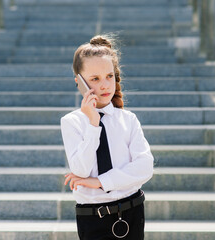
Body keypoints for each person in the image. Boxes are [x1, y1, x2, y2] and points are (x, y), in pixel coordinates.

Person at [60, 34, 154, 240]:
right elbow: (80, 170)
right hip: (93, 219)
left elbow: (145, 167)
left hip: (132, 212)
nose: (104, 85)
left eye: (109, 76)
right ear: (79, 82)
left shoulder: (128, 120)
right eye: (95, 79)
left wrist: (100, 182)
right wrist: (93, 124)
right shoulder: (72, 122)